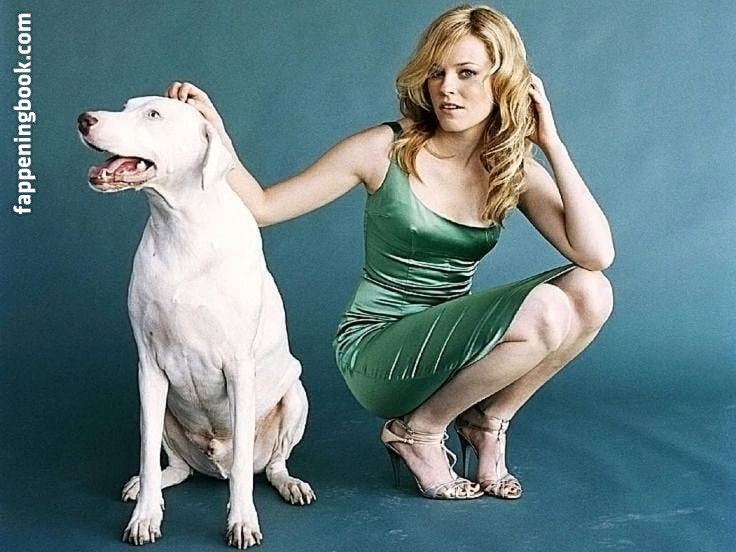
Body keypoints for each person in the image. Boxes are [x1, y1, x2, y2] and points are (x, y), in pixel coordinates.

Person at [166, 4, 614, 502]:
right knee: (547, 308)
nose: (447, 89)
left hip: (455, 347)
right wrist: (214, 132)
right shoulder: (383, 148)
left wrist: (550, 143)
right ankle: (417, 432)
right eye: (437, 73)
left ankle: (486, 422)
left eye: (467, 73)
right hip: (379, 348)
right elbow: (265, 207)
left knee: (591, 292)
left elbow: (595, 254)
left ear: (504, 82)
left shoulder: (510, 168)